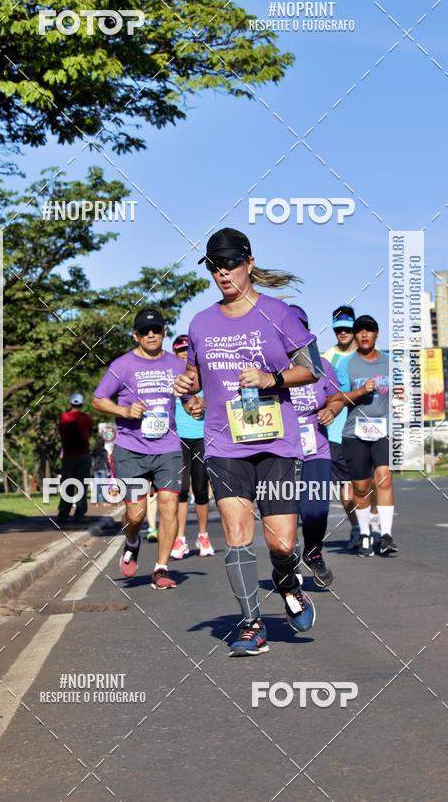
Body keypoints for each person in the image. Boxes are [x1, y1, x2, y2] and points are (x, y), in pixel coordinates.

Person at [174, 228, 322, 657]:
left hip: (277, 443)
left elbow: (310, 369)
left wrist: (270, 378)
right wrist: (189, 389)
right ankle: (250, 623)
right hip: (225, 444)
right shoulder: (201, 323)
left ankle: (287, 580)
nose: (223, 274)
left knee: (280, 544)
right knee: (237, 538)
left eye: (230, 265)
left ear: (249, 263)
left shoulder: (279, 314)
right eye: (215, 267)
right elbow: (195, 379)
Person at [93, 308, 187, 589]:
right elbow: (98, 400)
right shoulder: (122, 365)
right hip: (131, 449)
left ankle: (161, 568)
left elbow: (190, 398)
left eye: (156, 330)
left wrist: (195, 405)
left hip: (167, 448)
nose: (151, 335)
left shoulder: (177, 365)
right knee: (136, 513)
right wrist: (124, 410)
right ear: (135, 335)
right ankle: (132, 541)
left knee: (169, 505)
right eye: (145, 331)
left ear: (163, 332)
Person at [289, 307, 345, 588]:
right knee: (285, 512)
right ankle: (288, 565)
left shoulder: (321, 365)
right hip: (281, 452)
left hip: (316, 449)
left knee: (315, 510)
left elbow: (336, 398)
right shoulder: (269, 367)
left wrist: (331, 411)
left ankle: (313, 551)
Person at [336, 315, 398, 557]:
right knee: (360, 488)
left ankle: (386, 535)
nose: (364, 334)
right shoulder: (346, 364)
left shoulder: (391, 362)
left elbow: (407, 392)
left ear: (376, 334)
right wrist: (361, 390)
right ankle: (363, 533)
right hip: (355, 433)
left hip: (384, 431)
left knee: (384, 477)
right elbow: (339, 399)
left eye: (369, 330)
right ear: (354, 335)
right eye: (359, 330)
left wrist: (402, 392)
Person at [170, 334, 214, 559]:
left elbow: (219, 398)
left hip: (201, 437)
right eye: (179, 351)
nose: (182, 355)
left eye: (186, 351)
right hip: (179, 438)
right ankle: (179, 538)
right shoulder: (171, 378)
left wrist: (205, 402)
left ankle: (203, 535)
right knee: (180, 490)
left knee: (200, 488)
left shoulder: (204, 375)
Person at [322, 306, 361, 548]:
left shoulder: (369, 355)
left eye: (347, 329)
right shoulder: (327, 358)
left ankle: (372, 524)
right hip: (337, 433)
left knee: (367, 484)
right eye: (339, 330)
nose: (343, 333)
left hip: (368, 430)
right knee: (345, 487)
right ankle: (358, 528)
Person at [57, 392, 93, 525]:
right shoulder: (87, 418)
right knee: (81, 486)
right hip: (83, 454)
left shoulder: (63, 417)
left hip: (68, 456)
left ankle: (63, 513)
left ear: (71, 403)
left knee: (67, 485)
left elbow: (61, 432)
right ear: (82, 404)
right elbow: (89, 432)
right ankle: (79, 515)